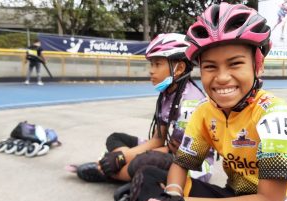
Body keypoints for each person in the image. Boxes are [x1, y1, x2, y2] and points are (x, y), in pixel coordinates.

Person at [132, 2, 287, 201]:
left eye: (235, 64)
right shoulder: (204, 111)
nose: (221, 78)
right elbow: (180, 164)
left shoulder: (275, 114)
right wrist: (173, 194)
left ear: (258, 66)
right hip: (232, 196)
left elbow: (270, 200)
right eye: (210, 67)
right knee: (150, 177)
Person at [66, 33, 214, 191]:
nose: (151, 71)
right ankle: (125, 170)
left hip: (192, 164)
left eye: (157, 64)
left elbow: (177, 150)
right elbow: (158, 139)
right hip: (171, 151)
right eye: (151, 64)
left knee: (145, 160)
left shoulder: (190, 102)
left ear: (180, 68)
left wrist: (123, 157)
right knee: (115, 138)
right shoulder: (167, 94)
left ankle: (107, 172)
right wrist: (123, 157)